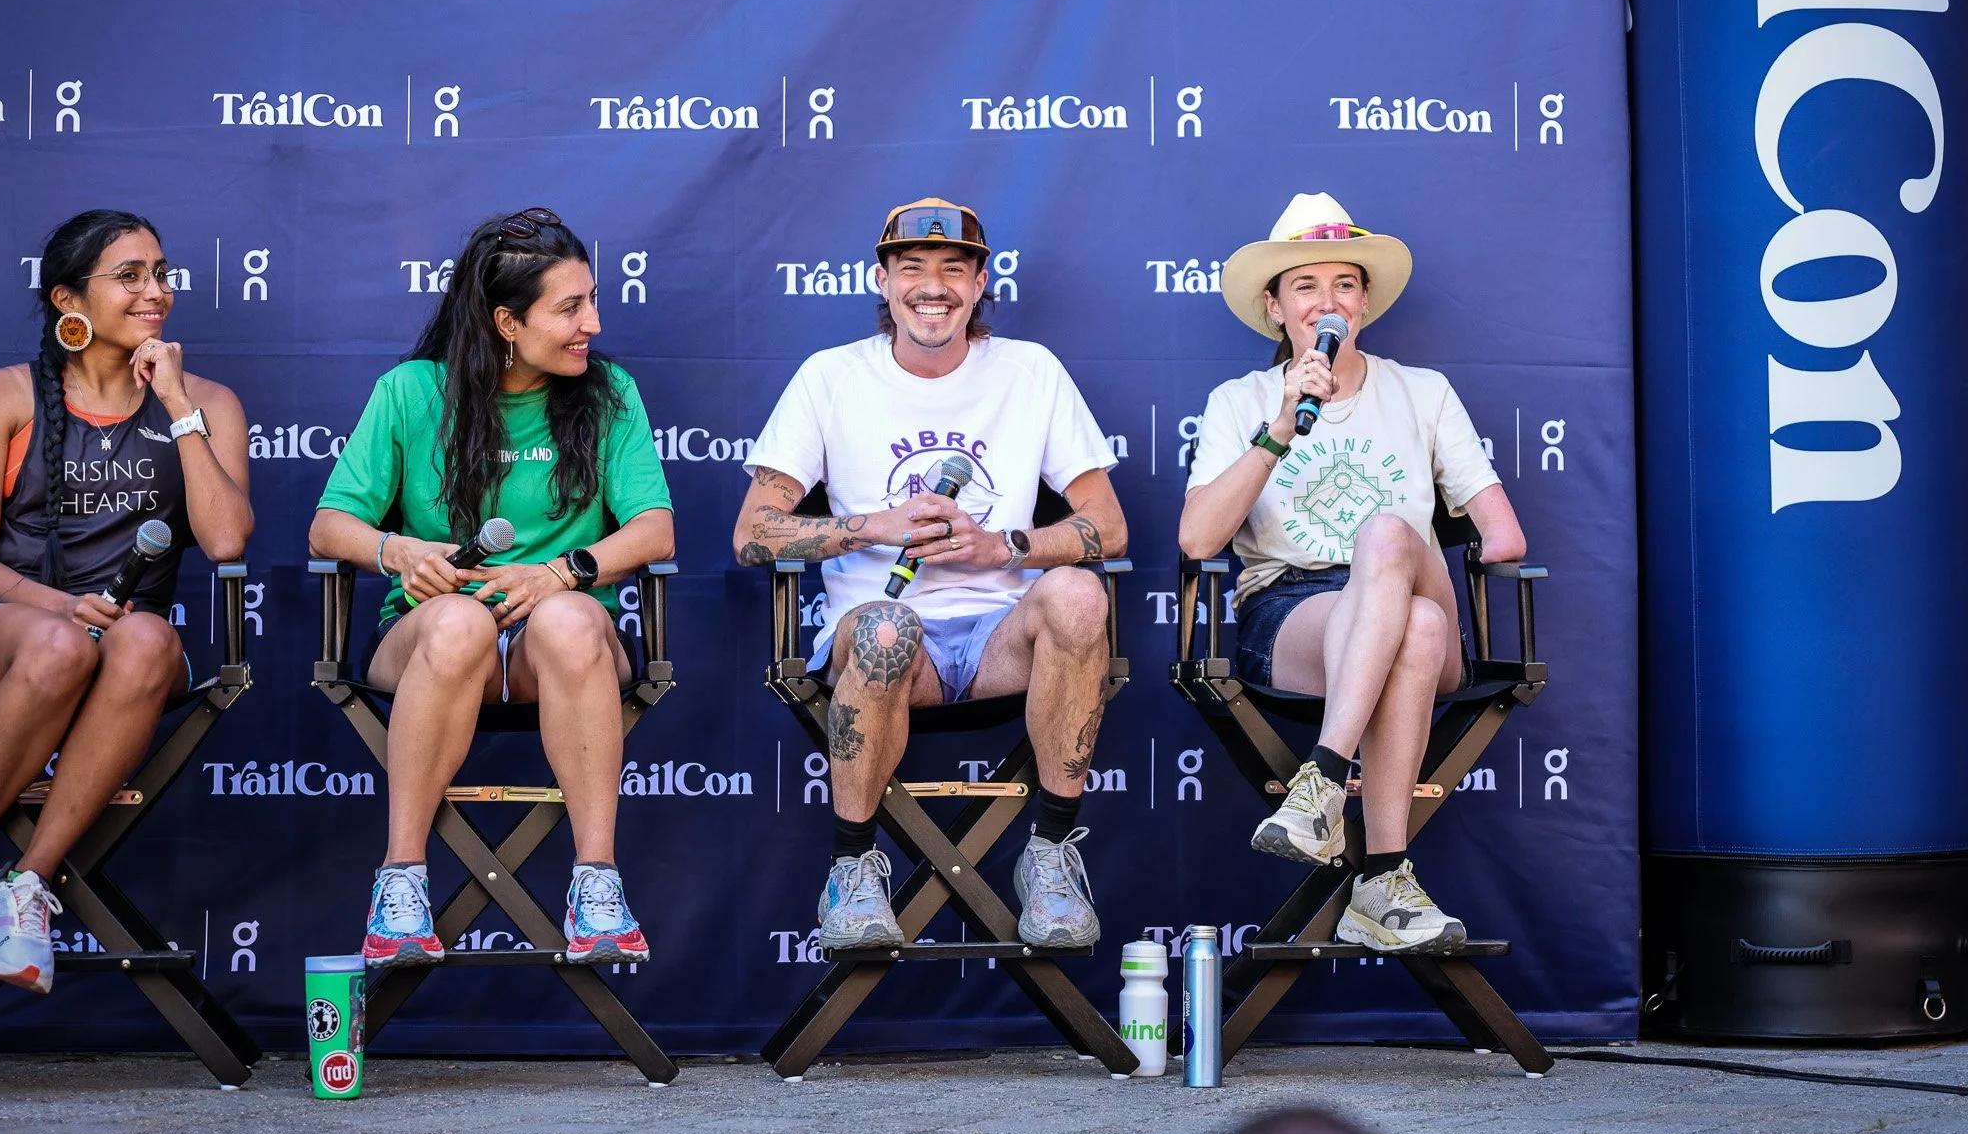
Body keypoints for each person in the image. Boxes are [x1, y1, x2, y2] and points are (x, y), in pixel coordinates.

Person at [734, 197, 1127, 951]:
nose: (933, 287)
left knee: (1080, 593)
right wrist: (874, 525)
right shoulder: (830, 377)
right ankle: (852, 868)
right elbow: (752, 533)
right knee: (888, 624)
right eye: (912, 268)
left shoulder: (1030, 370)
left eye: (954, 269)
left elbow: (1107, 526)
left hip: (1000, 641)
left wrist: (1002, 547)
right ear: (882, 281)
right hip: (884, 639)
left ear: (982, 284)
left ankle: (1049, 857)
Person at [308, 208, 673, 969]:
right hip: (428, 638)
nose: (592, 324)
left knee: (568, 620)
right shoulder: (412, 391)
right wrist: (400, 550)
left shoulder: (608, 393)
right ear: (507, 320)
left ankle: (597, 884)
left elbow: (654, 532)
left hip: (561, 647)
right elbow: (329, 526)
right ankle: (401, 884)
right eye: (570, 308)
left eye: (591, 300)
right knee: (456, 623)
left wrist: (558, 572)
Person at [1178, 193, 1526, 952]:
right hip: (1296, 612)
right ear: (1275, 307)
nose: (1326, 301)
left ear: (1364, 301)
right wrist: (1279, 428)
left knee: (1391, 539)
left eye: (1344, 284)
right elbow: (1199, 536)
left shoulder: (1422, 392)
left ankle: (1322, 781)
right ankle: (1385, 879)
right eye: (1305, 286)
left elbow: (1503, 535)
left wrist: (1409, 552)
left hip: (1408, 574)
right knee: (1420, 626)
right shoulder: (1241, 400)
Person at [0, 210, 253, 992]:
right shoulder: (2, 395)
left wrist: (176, 404)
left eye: (162, 273)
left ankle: (27, 884)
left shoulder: (208, 402)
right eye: (130, 276)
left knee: (144, 638)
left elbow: (229, 540)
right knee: (63, 644)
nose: (156, 292)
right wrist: (58, 609)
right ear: (70, 299)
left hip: (125, 645)